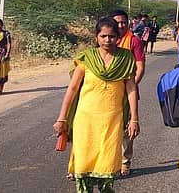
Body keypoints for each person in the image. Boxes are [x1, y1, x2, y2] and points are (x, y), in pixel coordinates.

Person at [53, 17, 140, 193]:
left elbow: (131, 89)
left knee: (107, 165)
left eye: (112, 36)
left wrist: (134, 119)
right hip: (86, 120)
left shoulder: (126, 59)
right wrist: (62, 118)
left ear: (118, 37)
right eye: (103, 36)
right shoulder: (86, 58)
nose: (107, 40)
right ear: (96, 37)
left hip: (112, 120)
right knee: (84, 164)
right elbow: (72, 89)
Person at [110, 10, 147, 176]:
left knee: (127, 130)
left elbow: (140, 68)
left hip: (128, 92)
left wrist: (129, 87)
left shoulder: (134, 41)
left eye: (123, 22)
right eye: (117, 22)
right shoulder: (106, 39)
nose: (120, 25)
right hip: (108, 93)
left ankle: (125, 162)